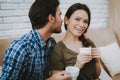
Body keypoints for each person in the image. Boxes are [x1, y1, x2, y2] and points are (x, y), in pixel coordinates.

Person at [0, 0, 72, 80]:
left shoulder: (51, 43)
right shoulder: (20, 48)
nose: (62, 20)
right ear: (51, 18)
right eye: (59, 15)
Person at [50, 3, 101, 80]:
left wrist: (97, 61)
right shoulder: (58, 50)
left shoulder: (89, 43)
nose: (82, 25)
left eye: (85, 21)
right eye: (77, 19)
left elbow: (97, 75)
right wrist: (77, 65)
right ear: (66, 20)